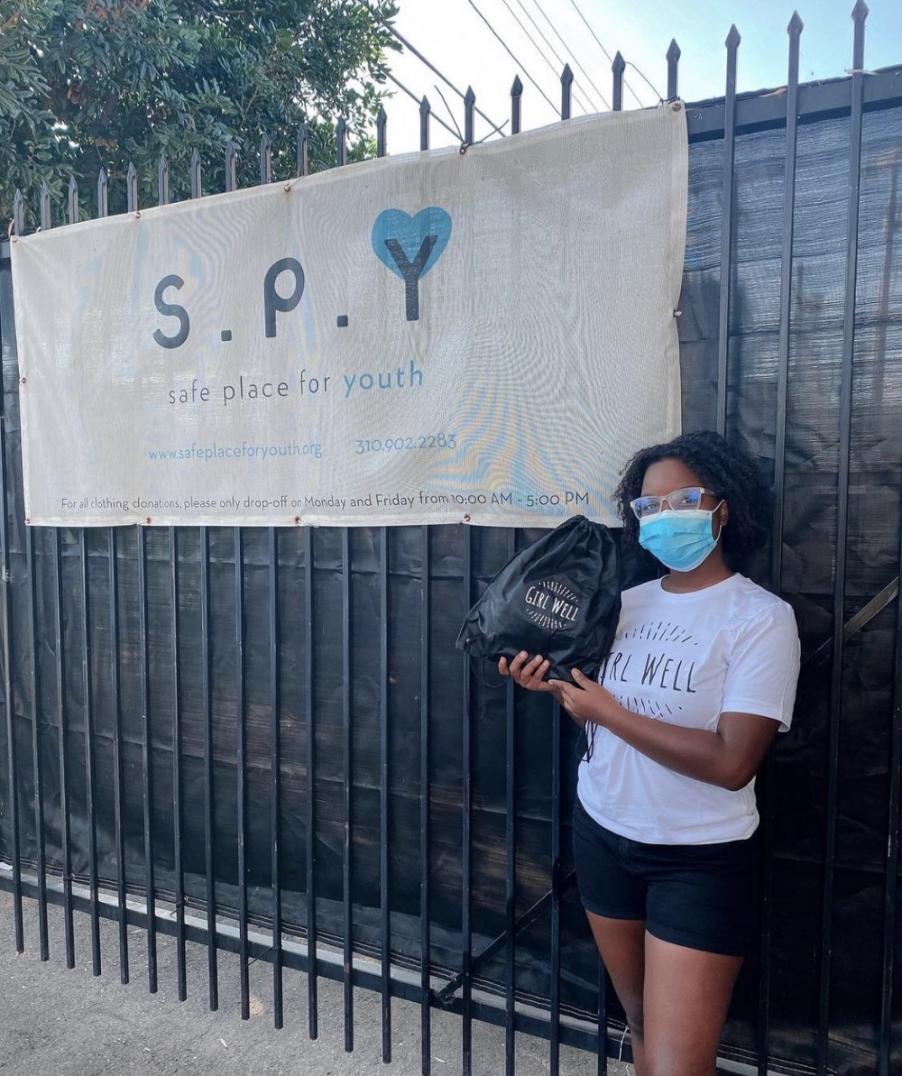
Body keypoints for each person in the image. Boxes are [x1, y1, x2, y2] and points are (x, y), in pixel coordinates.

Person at [499, 430, 800, 1076]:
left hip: (699, 860)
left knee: (678, 1064)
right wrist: (552, 685)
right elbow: (593, 710)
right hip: (605, 835)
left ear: (724, 507)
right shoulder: (624, 605)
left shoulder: (759, 618)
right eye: (648, 508)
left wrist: (609, 710)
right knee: (639, 1023)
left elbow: (731, 762)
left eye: (682, 500)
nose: (664, 518)